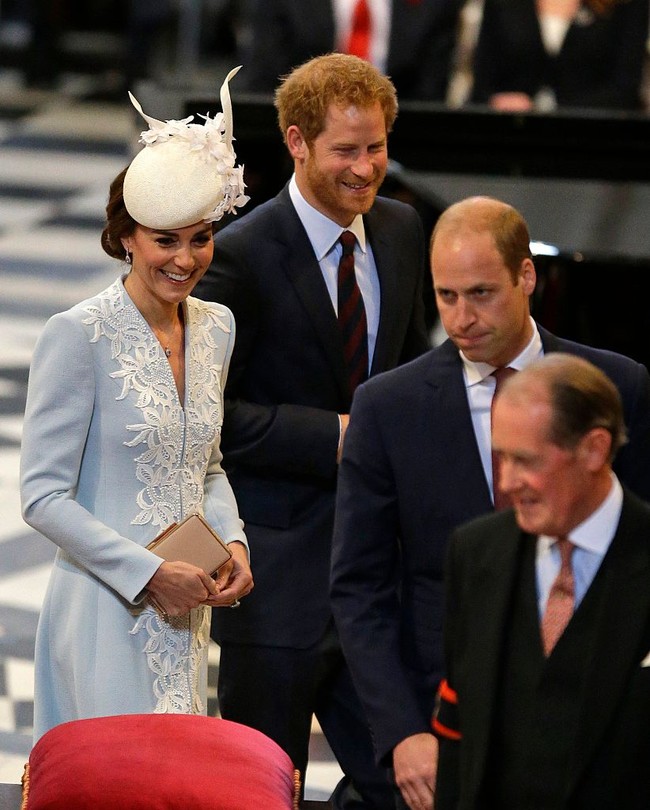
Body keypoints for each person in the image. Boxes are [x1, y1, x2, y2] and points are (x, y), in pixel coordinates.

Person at [330, 196, 650, 810]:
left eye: (480, 294)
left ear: (526, 276)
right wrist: (402, 732)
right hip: (442, 724)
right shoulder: (387, 408)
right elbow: (358, 587)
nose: (461, 318)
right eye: (446, 296)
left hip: (596, 727)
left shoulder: (618, 386)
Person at [193, 52, 429, 807]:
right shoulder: (238, 255)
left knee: (409, 786)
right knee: (262, 792)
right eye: (346, 150)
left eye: (377, 147)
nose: (366, 168)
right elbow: (210, 419)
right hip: (278, 585)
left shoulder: (401, 229)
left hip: (378, 584)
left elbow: (411, 367)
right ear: (296, 142)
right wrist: (336, 435)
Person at [20, 68, 253, 743]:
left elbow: (208, 466)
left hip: (186, 618)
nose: (185, 259)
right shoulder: (78, 334)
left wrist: (234, 541)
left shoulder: (217, 327)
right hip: (103, 612)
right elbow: (41, 496)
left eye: (200, 238)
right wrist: (149, 575)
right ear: (128, 237)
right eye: (165, 240)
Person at [434, 353, 650, 808]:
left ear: (594, 449)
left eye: (526, 460)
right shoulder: (475, 552)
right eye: (501, 458)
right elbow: (457, 733)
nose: (507, 482)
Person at [237, 0, 462, 101]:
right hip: (302, 140)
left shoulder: (435, 6)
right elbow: (263, 82)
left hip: (398, 142)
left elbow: (430, 94)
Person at [470, 0, 649, 111]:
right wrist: (498, 101)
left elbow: (625, 89)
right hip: (512, 137)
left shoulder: (626, 4)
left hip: (595, 140)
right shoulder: (503, 3)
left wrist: (553, 112)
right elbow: (481, 87)